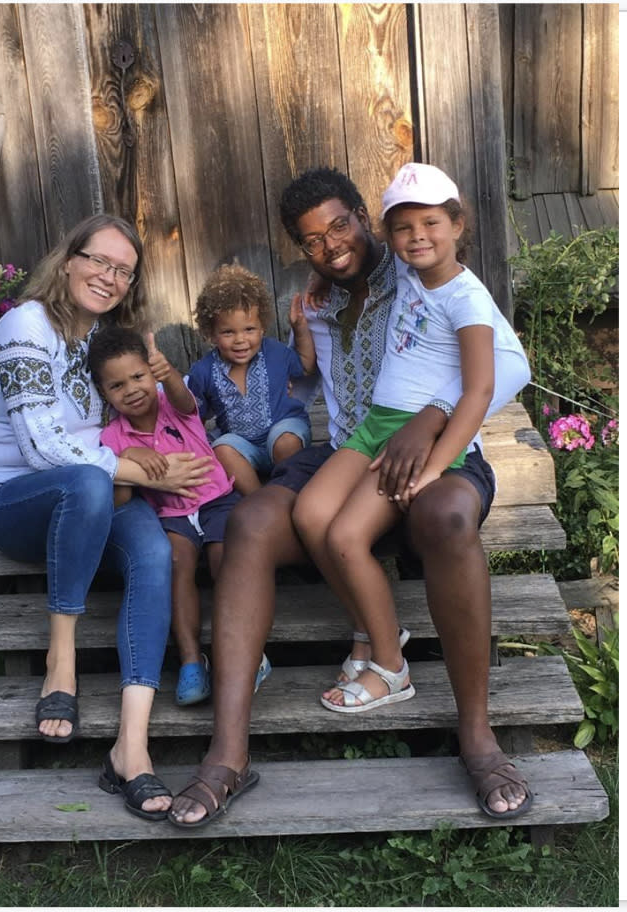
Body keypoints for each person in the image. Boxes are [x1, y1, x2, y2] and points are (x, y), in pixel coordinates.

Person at [167, 166, 531, 830]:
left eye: (341, 225)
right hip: (350, 451)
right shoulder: (321, 302)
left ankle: (478, 736)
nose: (332, 246)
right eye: (312, 241)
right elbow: (311, 381)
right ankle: (226, 755)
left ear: (366, 218)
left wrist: (432, 416)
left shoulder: (416, 269)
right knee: (249, 522)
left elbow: (507, 363)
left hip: (432, 451)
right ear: (299, 250)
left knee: (448, 513)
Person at [0, 214, 212, 821]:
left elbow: (110, 426)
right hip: (16, 502)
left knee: (154, 550)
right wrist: (142, 470)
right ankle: (62, 661)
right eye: (99, 261)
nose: (109, 277)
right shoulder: (25, 327)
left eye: (123, 271)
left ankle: (131, 748)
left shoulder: (96, 337)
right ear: (69, 258)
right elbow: (42, 447)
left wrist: (137, 450)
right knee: (83, 480)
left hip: (98, 499)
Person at [291, 163, 526, 753]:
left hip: (412, 436)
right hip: (373, 426)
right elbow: (353, 271)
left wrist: (432, 448)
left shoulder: (458, 289)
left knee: (346, 533)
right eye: (406, 228)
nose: (417, 236)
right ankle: (377, 632)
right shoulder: (398, 269)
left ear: (456, 224)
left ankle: (391, 665)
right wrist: (326, 285)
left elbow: (504, 372)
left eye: (340, 229)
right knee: (309, 513)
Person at [88, 325, 270, 707]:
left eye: (138, 376)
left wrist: (166, 374)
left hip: (218, 500)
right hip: (171, 515)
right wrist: (129, 458)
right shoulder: (112, 438)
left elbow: (185, 401)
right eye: (117, 386)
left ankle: (243, 652)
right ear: (104, 394)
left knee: (227, 562)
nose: (132, 389)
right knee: (176, 566)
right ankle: (191, 661)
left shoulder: (174, 405)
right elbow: (120, 499)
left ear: (151, 373)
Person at [186, 263, 316, 494]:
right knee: (223, 448)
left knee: (285, 438)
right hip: (244, 446)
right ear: (211, 333)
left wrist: (300, 328)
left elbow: (305, 365)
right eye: (228, 332)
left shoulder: (276, 353)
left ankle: (288, 491)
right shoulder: (203, 371)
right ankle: (259, 499)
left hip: (283, 431)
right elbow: (196, 415)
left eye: (249, 329)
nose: (240, 340)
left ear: (262, 327)